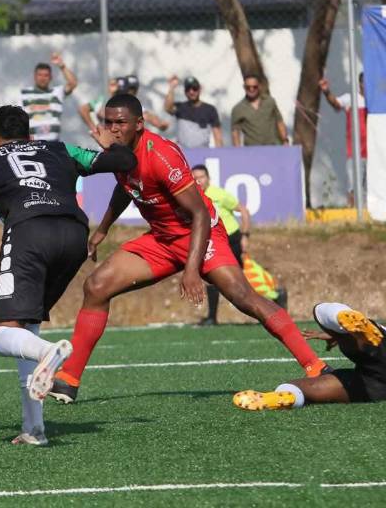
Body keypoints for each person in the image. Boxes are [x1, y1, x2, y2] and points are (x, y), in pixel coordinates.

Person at [48, 94, 329, 404]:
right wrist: (102, 229)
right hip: (162, 239)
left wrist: (192, 270)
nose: (113, 129)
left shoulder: (162, 156)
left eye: (121, 123)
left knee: (243, 297)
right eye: (108, 122)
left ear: (139, 125)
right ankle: (68, 379)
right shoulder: (119, 153)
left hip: (201, 234)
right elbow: (127, 187)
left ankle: (316, 366)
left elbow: (199, 216)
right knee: (96, 286)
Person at [0, 105, 137, 445]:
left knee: (0, 337)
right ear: (30, 135)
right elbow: (125, 163)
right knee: (25, 329)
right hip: (75, 236)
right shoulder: (60, 148)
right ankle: (34, 430)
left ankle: (49, 353)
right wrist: (112, 146)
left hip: (29, 235)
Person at [234, 303, 386, 411]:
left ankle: (287, 395)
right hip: (377, 382)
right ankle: (292, 395)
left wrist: (339, 335)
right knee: (364, 340)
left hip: (375, 379)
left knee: (319, 309)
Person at [192, 164, 249, 326]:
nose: (198, 181)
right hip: (213, 241)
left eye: (201, 177)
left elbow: (243, 210)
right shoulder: (192, 196)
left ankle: (275, 298)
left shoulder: (219, 194)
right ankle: (212, 317)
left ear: (208, 178)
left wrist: (245, 236)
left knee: (241, 279)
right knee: (212, 278)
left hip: (232, 239)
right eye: (194, 178)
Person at [319, 73, 367, 207]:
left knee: (371, 187)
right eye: (365, 82)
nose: (368, 85)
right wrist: (326, 91)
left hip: (373, 152)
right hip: (355, 152)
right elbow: (335, 103)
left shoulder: (377, 100)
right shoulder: (351, 98)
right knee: (353, 187)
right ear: (360, 83)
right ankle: (352, 215)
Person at [20, 52, 77, 141]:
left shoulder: (56, 92)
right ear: (34, 76)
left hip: (53, 145)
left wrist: (62, 65)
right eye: (40, 75)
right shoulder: (24, 94)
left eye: (46, 75)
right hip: (32, 145)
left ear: (51, 77)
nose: (43, 78)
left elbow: (73, 83)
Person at [164, 76, 222, 148]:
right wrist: (172, 87)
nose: (191, 92)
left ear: (199, 89)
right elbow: (168, 108)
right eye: (188, 89)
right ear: (185, 92)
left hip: (203, 153)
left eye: (194, 88)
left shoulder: (210, 109)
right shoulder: (180, 107)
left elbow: (217, 135)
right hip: (183, 153)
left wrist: (220, 154)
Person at [231, 75, 289, 146]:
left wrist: (285, 141)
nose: (251, 89)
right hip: (253, 151)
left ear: (259, 86)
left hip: (274, 147)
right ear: (244, 87)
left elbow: (279, 122)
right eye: (248, 87)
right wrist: (238, 151)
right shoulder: (238, 109)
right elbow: (235, 132)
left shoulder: (270, 101)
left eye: (254, 87)